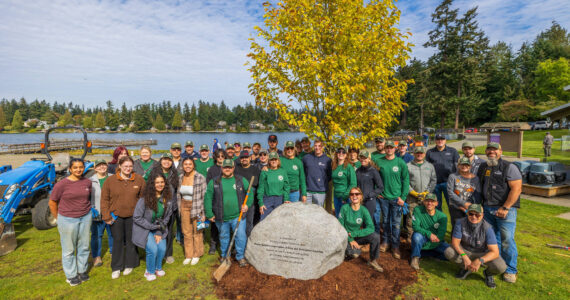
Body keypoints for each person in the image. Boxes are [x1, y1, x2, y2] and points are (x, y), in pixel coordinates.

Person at [476, 142, 522, 283]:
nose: (491, 152)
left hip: (504, 210)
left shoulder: (509, 167)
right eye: (489, 149)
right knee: (493, 240)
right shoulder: (483, 167)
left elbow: (516, 189)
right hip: (487, 209)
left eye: (494, 150)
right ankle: (497, 264)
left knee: (507, 239)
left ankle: (510, 270)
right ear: (486, 151)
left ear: (500, 151)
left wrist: (506, 207)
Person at [49, 158, 92, 286]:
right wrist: (59, 218)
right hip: (67, 219)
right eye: (75, 167)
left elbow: (87, 198)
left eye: (81, 167)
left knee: (84, 246)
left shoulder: (87, 182)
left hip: (85, 217)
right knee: (69, 249)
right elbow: (52, 202)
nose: (78, 169)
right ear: (70, 169)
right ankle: (71, 275)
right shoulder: (61, 184)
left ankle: (82, 271)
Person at [101, 156, 145, 279]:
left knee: (132, 240)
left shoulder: (139, 179)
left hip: (133, 217)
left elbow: (143, 199)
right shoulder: (110, 180)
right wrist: (106, 216)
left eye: (130, 166)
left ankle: (131, 263)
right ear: (119, 166)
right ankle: (116, 267)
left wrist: (141, 215)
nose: (128, 168)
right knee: (118, 240)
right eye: (125, 166)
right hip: (116, 216)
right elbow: (104, 200)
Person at [444, 204, 507, 289]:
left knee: (501, 267)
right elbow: (455, 242)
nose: (474, 217)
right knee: (448, 251)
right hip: (466, 250)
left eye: (477, 214)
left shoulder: (488, 228)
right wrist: (464, 257)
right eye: (471, 214)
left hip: (482, 253)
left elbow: (495, 252)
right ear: (467, 214)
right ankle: (465, 267)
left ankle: (488, 273)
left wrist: (480, 261)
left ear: (482, 215)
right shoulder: (460, 222)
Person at [204, 159, 251, 267]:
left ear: (233, 168)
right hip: (221, 217)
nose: (227, 169)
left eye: (230, 167)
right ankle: (225, 255)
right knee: (224, 237)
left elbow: (250, 193)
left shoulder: (241, 180)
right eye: (225, 167)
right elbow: (208, 198)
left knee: (240, 236)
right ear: (222, 168)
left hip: (238, 216)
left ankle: (240, 256)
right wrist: (209, 213)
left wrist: (247, 205)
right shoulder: (214, 182)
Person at [132, 174, 176, 281]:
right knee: (153, 249)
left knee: (162, 248)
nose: (160, 184)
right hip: (144, 228)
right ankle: (149, 271)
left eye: (162, 182)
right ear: (152, 184)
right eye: (157, 182)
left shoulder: (167, 199)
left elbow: (167, 216)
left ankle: (157, 268)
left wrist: (159, 231)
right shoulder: (144, 199)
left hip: (158, 228)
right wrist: (152, 227)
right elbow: (137, 217)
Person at [376, 141, 410, 259]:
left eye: (391, 147)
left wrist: (403, 197)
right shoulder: (379, 161)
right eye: (387, 148)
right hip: (384, 198)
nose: (389, 149)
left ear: (395, 149)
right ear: (385, 149)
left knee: (396, 224)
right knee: (385, 221)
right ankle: (385, 242)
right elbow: (374, 177)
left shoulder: (400, 162)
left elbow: (406, 181)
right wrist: (377, 191)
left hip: (397, 199)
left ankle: (395, 246)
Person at [338, 187, 383, 272]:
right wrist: (350, 239)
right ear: (349, 197)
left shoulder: (363, 210)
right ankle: (342, 252)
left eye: (357, 194)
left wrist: (354, 234)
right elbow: (340, 227)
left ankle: (373, 260)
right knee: (355, 254)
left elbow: (371, 227)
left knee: (375, 236)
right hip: (344, 237)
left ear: (361, 196)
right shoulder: (345, 208)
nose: (354, 196)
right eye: (352, 194)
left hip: (355, 235)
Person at [149, 153, 180, 264]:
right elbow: (150, 187)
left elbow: (176, 191)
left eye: (169, 160)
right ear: (161, 160)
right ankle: (156, 251)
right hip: (157, 205)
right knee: (156, 229)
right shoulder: (155, 172)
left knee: (169, 230)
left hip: (171, 206)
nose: (166, 162)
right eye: (164, 159)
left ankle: (168, 254)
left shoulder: (174, 173)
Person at [177, 157, 207, 266]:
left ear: (193, 165)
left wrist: (204, 213)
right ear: (182, 166)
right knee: (186, 232)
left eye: (190, 164)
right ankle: (188, 255)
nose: (188, 166)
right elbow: (178, 194)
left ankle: (197, 254)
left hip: (197, 207)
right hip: (184, 206)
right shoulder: (181, 177)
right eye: (185, 164)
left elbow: (205, 196)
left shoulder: (200, 177)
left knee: (198, 231)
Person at [405, 146, 437, 243]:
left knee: (426, 216)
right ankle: (410, 237)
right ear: (414, 154)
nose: (419, 155)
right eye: (417, 153)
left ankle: (426, 236)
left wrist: (427, 192)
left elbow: (433, 180)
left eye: (421, 153)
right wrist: (413, 192)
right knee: (411, 217)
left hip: (426, 198)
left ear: (424, 154)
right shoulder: (408, 166)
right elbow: (405, 181)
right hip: (412, 197)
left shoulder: (430, 166)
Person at [410, 193, 449, 270]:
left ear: (436, 203)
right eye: (427, 201)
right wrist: (429, 234)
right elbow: (415, 226)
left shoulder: (442, 217)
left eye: (432, 201)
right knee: (416, 237)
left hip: (435, 241)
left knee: (450, 254)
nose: (429, 203)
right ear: (424, 202)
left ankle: (427, 253)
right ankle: (415, 258)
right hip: (423, 237)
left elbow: (440, 235)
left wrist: (431, 244)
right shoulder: (417, 210)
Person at [426, 134, 460, 211]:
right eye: (438, 139)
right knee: (436, 205)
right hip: (435, 183)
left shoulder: (453, 151)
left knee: (452, 205)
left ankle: (455, 222)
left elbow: (458, 166)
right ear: (435, 141)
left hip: (449, 182)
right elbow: (426, 167)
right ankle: (438, 222)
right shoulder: (430, 152)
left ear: (445, 140)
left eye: (442, 139)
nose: (440, 141)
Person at [89, 159, 113, 267]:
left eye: (104, 164)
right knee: (96, 235)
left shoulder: (113, 177)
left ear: (107, 165)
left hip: (112, 212)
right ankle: (96, 256)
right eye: (99, 165)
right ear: (95, 168)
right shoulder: (90, 181)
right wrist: (90, 208)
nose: (102, 167)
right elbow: (86, 197)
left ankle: (114, 252)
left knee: (113, 234)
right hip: (97, 213)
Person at [447, 157, 482, 229]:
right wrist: (463, 204)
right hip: (456, 206)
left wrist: (471, 206)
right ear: (458, 166)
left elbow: (478, 194)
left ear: (470, 166)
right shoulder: (453, 176)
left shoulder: (475, 178)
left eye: (466, 165)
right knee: (457, 227)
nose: (464, 166)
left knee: (470, 227)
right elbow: (450, 192)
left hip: (471, 208)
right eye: (462, 164)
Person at [355, 150, 383, 231]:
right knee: (360, 221)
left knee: (368, 221)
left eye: (365, 158)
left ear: (369, 159)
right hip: (359, 201)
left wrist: (370, 195)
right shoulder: (358, 171)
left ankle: (370, 240)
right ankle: (363, 239)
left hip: (369, 201)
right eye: (361, 157)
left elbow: (380, 187)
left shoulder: (373, 171)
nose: (363, 159)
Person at [205, 149, 226, 255]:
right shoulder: (212, 170)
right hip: (215, 199)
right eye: (219, 156)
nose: (221, 158)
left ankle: (224, 244)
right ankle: (213, 244)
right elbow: (208, 185)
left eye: (222, 156)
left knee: (225, 224)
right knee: (214, 224)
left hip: (226, 199)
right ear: (215, 158)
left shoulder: (228, 168)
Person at [235, 150, 261, 237]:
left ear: (249, 158)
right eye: (242, 158)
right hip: (238, 199)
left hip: (250, 200)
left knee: (249, 223)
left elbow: (257, 185)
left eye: (246, 157)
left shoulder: (255, 170)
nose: (244, 159)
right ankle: (238, 242)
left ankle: (248, 242)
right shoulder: (236, 168)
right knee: (239, 223)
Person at [258, 152, 290, 221]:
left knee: (280, 221)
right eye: (272, 160)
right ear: (269, 161)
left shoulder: (283, 171)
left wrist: (286, 199)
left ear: (278, 160)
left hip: (280, 199)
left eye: (275, 159)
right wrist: (261, 203)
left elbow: (286, 187)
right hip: (267, 199)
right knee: (264, 221)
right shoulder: (264, 172)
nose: (274, 161)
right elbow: (261, 188)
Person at [302, 139, 332, 207]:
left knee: (319, 214)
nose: (317, 148)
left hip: (320, 191)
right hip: (308, 191)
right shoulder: (306, 158)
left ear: (323, 147)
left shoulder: (327, 160)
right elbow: (303, 174)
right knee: (306, 212)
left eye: (319, 146)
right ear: (313, 146)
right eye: (315, 146)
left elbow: (329, 176)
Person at [332, 147, 357, 218]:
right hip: (336, 196)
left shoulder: (349, 167)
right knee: (338, 216)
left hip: (345, 197)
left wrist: (345, 196)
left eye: (343, 152)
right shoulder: (334, 166)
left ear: (346, 155)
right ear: (336, 154)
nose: (341, 153)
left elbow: (353, 183)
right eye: (339, 152)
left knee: (346, 218)